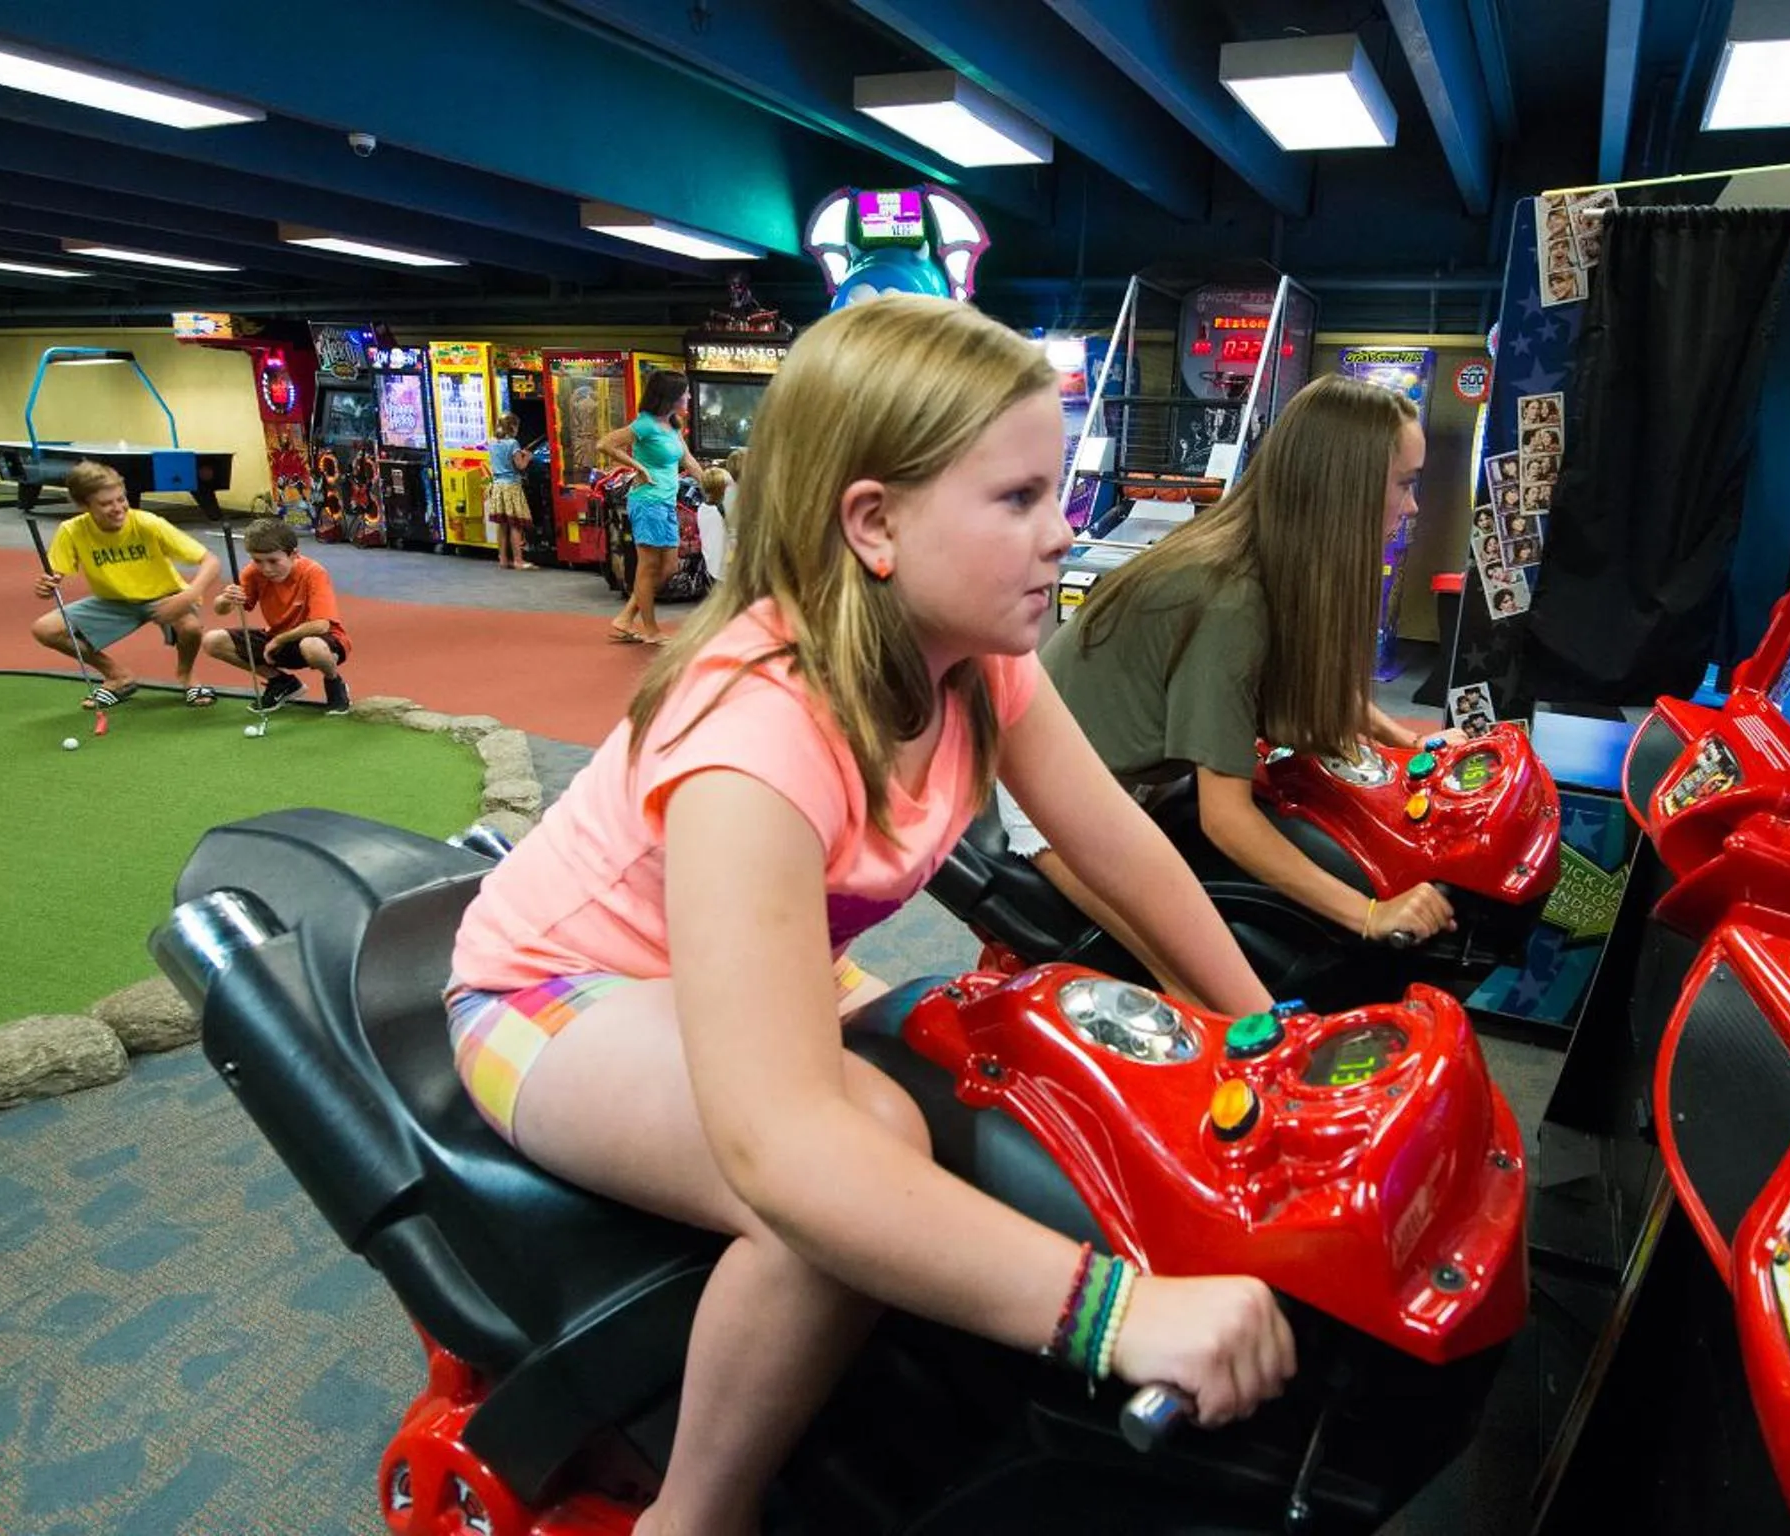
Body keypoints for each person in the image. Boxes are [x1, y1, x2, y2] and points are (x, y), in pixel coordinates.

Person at [444, 296, 1296, 1536]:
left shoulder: (976, 658)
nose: (1065, 534)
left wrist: (1265, 1037)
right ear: (873, 523)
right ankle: (696, 1515)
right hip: (552, 989)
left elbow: (1122, 852)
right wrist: (1118, 1314)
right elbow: (782, 1155)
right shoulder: (755, 734)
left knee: (1000, 1074)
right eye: (1018, 502)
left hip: (730, 968)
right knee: (859, 1159)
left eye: (1057, 492)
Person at [1006, 376, 1461, 997]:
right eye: (1405, 484)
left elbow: (1311, 685)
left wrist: (1407, 741)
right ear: (1346, 489)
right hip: (1054, 801)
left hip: (1121, 780)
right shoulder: (1230, 596)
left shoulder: (1273, 554)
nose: (1412, 507)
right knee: (1208, 992)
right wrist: (1370, 914)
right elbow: (1228, 820)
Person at [30, 459, 220, 709]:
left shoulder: (147, 523)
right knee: (44, 629)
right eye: (106, 503)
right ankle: (118, 676)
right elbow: (53, 577)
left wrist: (190, 594)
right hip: (113, 601)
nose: (118, 508)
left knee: (191, 627)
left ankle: (186, 676)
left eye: (121, 499)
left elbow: (210, 560)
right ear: (84, 505)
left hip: (164, 596)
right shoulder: (71, 531)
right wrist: (46, 586)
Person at [601, 372, 710, 645]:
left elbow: (688, 460)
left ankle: (626, 617)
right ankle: (650, 630)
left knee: (670, 567)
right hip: (647, 501)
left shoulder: (673, 424)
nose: (689, 396)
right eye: (685, 392)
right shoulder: (645, 425)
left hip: (665, 502)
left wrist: (714, 488)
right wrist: (638, 467)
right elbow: (605, 444)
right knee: (648, 567)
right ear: (670, 396)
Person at [206, 517, 352, 715]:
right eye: (258, 561)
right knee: (212, 641)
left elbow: (321, 625)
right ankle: (281, 683)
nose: (266, 569)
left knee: (311, 646)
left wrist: (279, 640)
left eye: (274, 561)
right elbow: (221, 610)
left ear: (294, 555)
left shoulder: (313, 572)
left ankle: (334, 682)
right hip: (277, 639)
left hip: (320, 640)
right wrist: (225, 598)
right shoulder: (253, 573)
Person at [486, 413, 536, 571]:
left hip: (497, 486)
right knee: (516, 524)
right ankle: (518, 561)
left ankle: (502, 559)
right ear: (513, 426)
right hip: (511, 486)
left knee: (502, 525)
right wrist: (528, 457)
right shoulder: (512, 443)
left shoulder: (492, 442)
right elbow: (520, 466)